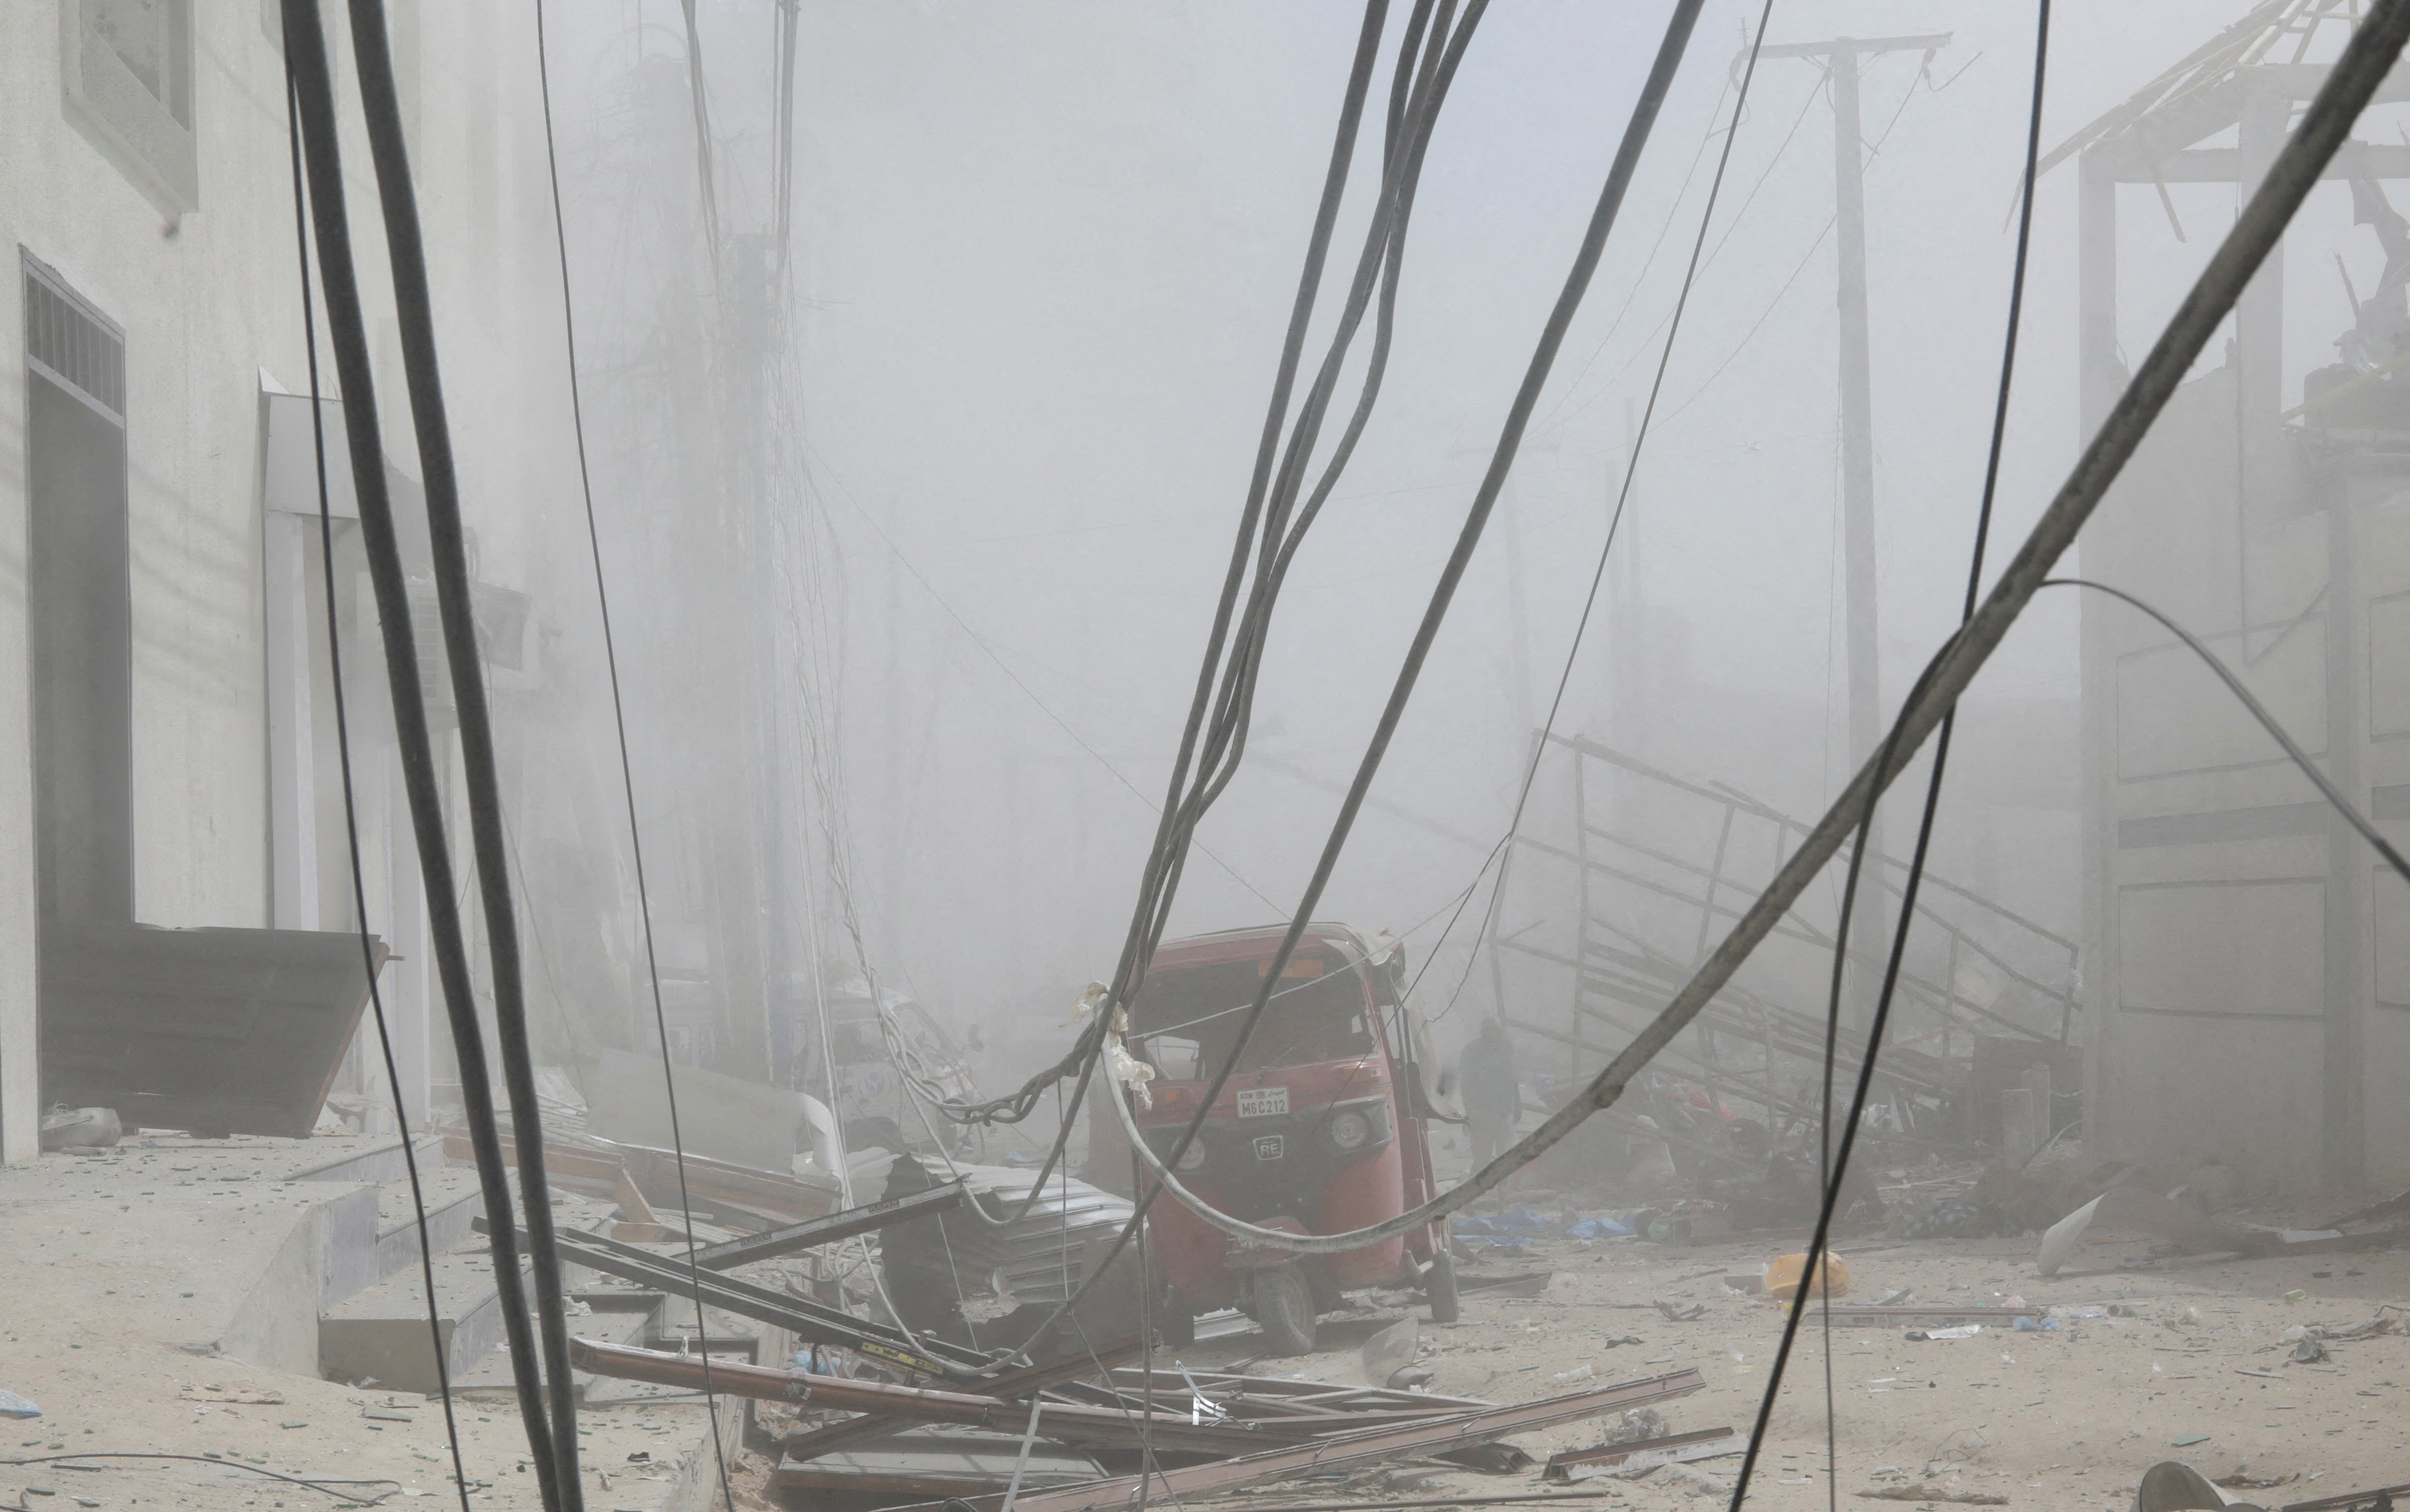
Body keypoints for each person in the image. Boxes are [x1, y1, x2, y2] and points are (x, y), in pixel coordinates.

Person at [1455, 1017, 1520, 1172]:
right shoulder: (1471, 1051)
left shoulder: (1507, 1046)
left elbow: (1513, 1077)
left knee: (1505, 1158)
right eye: (1489, 1031)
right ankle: (1478, 1191)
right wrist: (1470, 1114)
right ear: (1483, 1033)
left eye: (1496, 1031)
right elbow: (1465, 1085)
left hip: (1505, 1111)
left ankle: (1503, 1192)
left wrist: (1518, 1105)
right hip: (1481, 1113)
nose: (1493, 1036)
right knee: (1482, 1159)